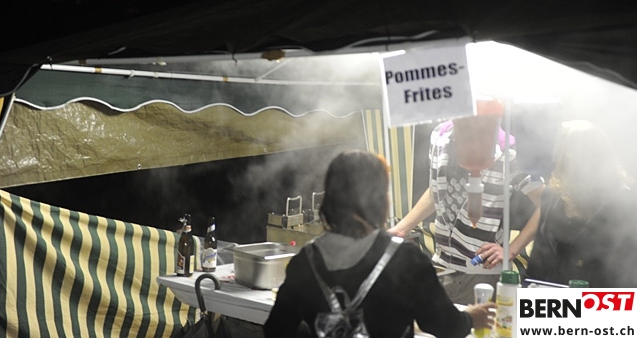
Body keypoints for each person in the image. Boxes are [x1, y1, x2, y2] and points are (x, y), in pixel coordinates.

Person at [264, 149, 495, 338]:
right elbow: (446, 326)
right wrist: (471, 318)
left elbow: (276, 330)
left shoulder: (305, 261)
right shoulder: (406, 259)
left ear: (330, 199)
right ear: (380, 199)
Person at [388, 116, 544, 305]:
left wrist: (511, 249)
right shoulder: (439, 136)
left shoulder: (508, 150)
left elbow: (546, 203)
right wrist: (401, 228)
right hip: (441, 265)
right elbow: (436, 191)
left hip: (481, 273)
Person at [525, 120, 637, 287]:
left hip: (602, 300)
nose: (555, 157)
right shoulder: (552, 196)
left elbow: (628, 273)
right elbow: (538, 260)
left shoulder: (624, 204)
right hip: (549, 299)